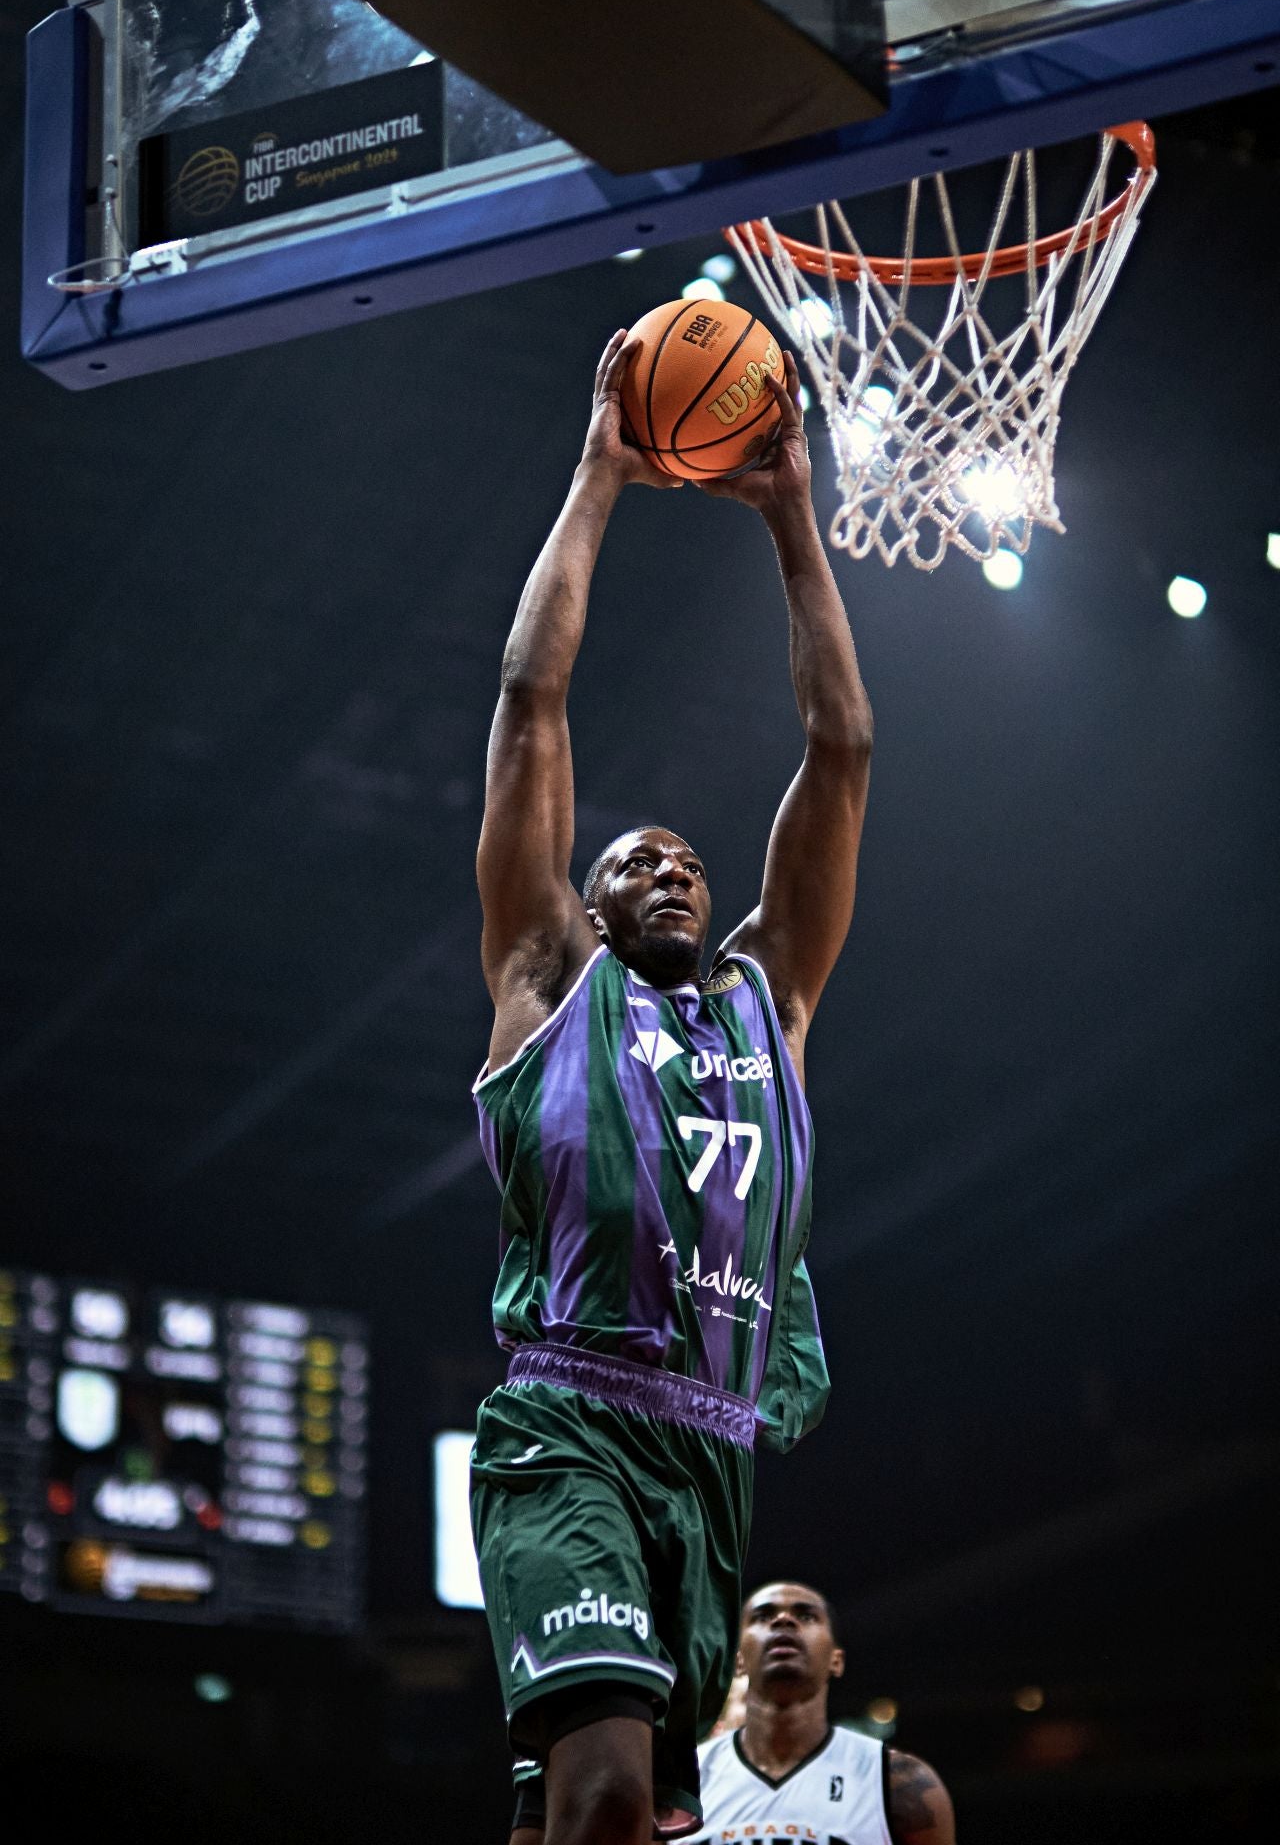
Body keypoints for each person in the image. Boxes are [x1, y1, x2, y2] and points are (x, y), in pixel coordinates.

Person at [471, 327, 874, 1845]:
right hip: (569, 1425)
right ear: (582, 899)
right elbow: (531, 703)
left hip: (711, 1456)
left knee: (608, 1822)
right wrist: (599, 473)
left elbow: (841, 748)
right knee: (607, 1802)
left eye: (691, 860)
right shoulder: (546, 987)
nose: (674, 867)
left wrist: (791, 524)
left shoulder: (769, 1003)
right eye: (635, 857)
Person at [511, 1581, 956, 1845]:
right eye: (764, 1616)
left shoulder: (897, 1783)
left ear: (836, 1658)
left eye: (805, 1615)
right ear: (738, 1659)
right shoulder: (679, 1781)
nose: (784, 1622)